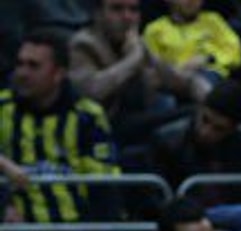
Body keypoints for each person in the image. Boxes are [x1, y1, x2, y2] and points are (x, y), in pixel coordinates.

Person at [0, 28, 121, 231]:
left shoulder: (87, 116)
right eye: (20, 64)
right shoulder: (3, 107)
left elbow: (105, 191)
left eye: (33, 66)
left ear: (59, 73)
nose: (22, 73)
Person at [68, 0, 205, 134]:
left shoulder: (135, 44)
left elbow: (178, 79)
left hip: (140, 120)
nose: (127, 17)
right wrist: (133, 59)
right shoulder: (83, 44)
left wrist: (211, 100)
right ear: (98, 14)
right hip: (103, 128)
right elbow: (90, 92)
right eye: (117, 9)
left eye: (133, 10)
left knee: (196, 113)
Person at [151, 79, 241, 206]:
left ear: (233, 129)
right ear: (200, 108)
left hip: (231, 212)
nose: (205, 132)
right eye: (205, 120)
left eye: (218, 128)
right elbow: (158, 199)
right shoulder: (168, 141)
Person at [143, 0, 241, 100]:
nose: (193, 1)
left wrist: (208, 58)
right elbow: (150, 66)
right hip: (171, 78)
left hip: (208, 73)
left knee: (208, 84)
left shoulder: (213, 21)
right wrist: (177, 70)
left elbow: (236, 53)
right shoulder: (154, 30)